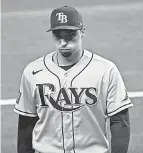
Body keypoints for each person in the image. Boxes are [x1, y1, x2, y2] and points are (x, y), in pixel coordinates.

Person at [14, 5, 133, 153]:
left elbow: (119, 123)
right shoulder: (32, 72)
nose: (63, 42)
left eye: (70, 35)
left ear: (82, 31)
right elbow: (26, 127)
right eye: (58, 35)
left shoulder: (106, 70)